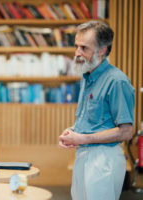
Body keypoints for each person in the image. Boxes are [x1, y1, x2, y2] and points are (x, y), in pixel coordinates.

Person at [59, 21, 134, 200]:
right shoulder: (87, 76)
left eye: (84, 48)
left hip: (104, 160)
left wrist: (82, 138)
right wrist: (73, 131)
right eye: (76, 46)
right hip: (83, 155)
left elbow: (126, 131)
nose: (77, 52)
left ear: (102, 50)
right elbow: (95, 122)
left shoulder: (117, 81)